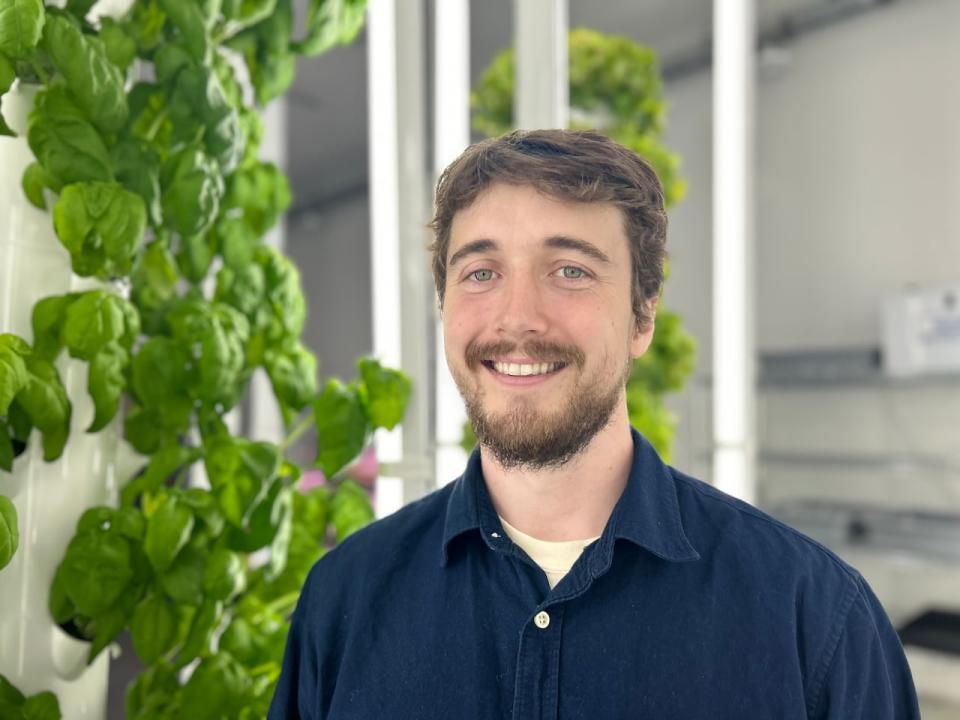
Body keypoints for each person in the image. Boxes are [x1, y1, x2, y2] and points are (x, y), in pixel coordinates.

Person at [269, 129, 920, 719]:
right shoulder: (346, 600)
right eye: (481, 272)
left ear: (643, 319)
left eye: (570, 270)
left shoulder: (813, 617)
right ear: (445, 306)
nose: (517, 318)